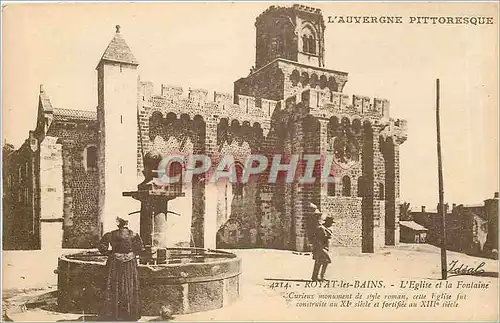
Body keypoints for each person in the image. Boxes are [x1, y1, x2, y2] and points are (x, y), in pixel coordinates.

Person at [98, 217, 145, 321]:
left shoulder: (111, 234)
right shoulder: (134, 234)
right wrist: (132, 254)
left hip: (115, 262)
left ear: (118, 224)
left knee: (114, 285)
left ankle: (114, 313)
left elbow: (102, 247)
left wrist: (110, 253)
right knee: (130, 285)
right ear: (127, 224)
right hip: (130, 263)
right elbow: (140, 249)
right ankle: (129, 313)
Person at [310, 206, 334, 281]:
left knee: (321, 262)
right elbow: (320, 238)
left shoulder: (325, 229)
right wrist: (327, 236)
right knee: (323, 261)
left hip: (324, 248)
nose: (331, 225)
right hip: (320, 248)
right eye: (330, 223)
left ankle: (318, 277)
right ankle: (317, 277)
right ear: (327, 222)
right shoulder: (321, 228)